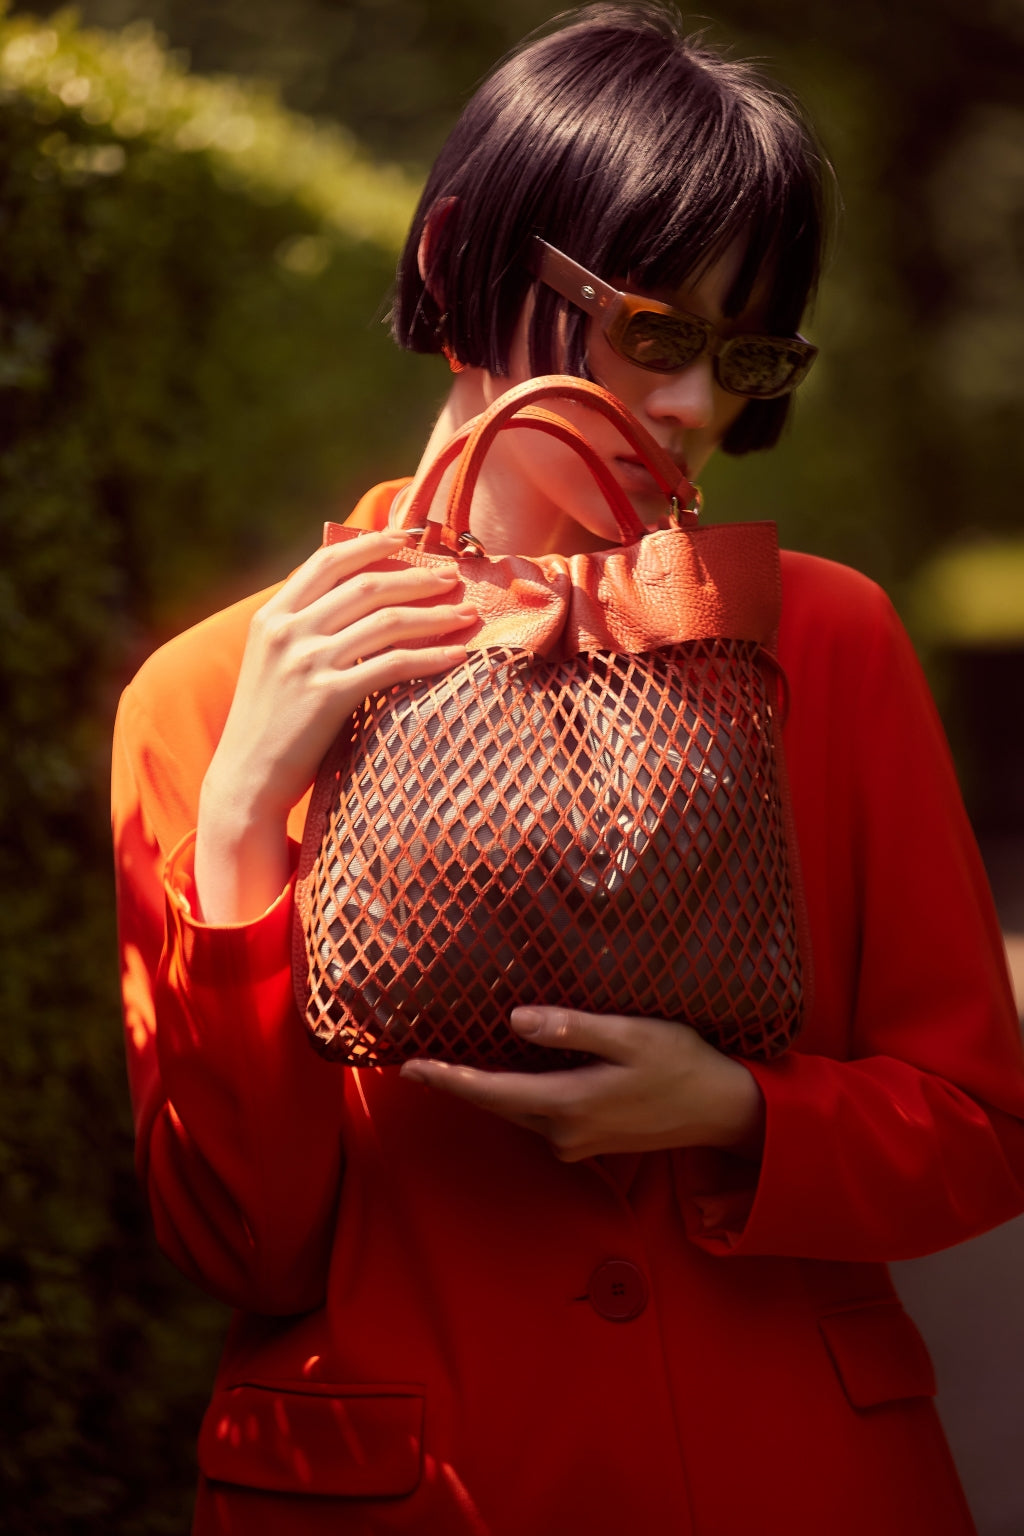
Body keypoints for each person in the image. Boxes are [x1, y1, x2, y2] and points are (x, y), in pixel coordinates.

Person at [111, 6, 1024, 1533]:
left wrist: (737, 1113)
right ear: (454, 252)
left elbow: (982, 1134)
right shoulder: (211, 692)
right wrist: (245, 813)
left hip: (790, 1479)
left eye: (744, 355)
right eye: (652, 329)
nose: (691, 408)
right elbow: (243, 1249)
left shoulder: (822, 639)